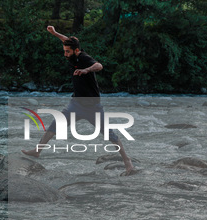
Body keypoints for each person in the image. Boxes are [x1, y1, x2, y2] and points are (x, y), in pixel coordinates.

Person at [22, 26, 135, 175]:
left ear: (76, 51)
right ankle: (37, 151)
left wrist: (86, 70)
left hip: (93, 107)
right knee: (55, 125)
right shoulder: (72, 53)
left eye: (67, 52)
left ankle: (127, 161)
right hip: (75, 104)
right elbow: (66, 40)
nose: (65, 54)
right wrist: (55, 33)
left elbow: (99, 65)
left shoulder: (83, 58)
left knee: (110, 135)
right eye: (64, 51)